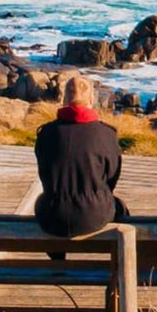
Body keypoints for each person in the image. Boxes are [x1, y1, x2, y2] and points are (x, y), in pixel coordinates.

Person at [34, 76, 128, 239]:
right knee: (121, 208)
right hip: (95, 214)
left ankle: (58, 259)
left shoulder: (46, 133)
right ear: (92, 99)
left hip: (52, 214)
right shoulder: (106, 134)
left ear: (64, 99)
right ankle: (118, 259)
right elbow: (113, 175)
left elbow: (44, 173)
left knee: (40, 202)